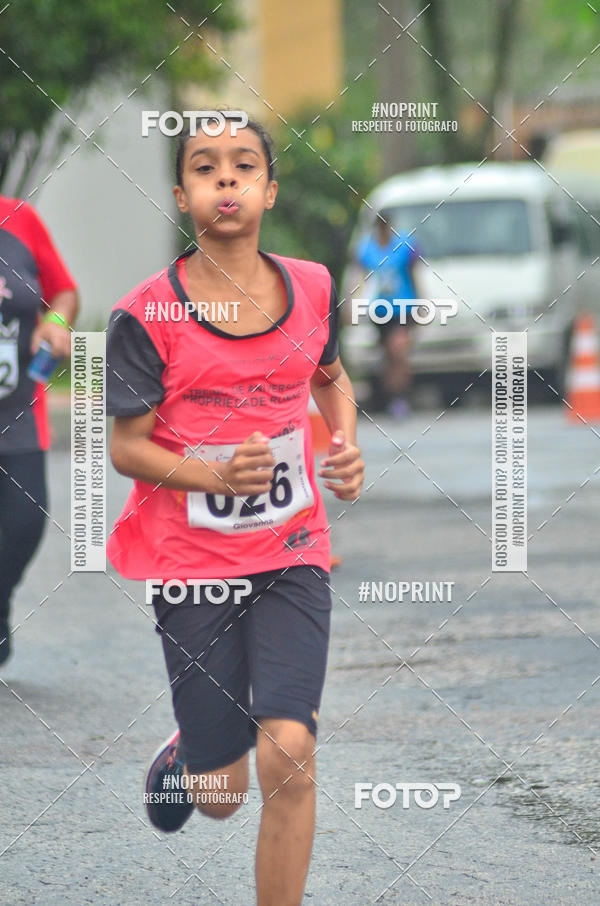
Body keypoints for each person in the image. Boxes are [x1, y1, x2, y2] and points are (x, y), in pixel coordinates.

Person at [105, 112, 364, 906]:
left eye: (244, 165)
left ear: (269, 190)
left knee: (287, 750)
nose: (227, 179)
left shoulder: (312, 285)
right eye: (206, 167)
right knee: (221, 795)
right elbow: (127, 447)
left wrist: (345, 443)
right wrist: (215, 475)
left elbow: (330, 377)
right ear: (183, 195)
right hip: (192, 569)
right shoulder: (144, 314)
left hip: (291, 552)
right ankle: (192, 753)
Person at [0, 197, 79, 665]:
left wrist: (55, 321)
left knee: (25, 522)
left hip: (18, 417)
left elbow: (65, 292)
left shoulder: (19, 219)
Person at [356, 212, 421, 417]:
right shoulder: (367, 249)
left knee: (398, 351)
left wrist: (420, 303)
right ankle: (390, 396)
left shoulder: (404, 246)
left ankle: (400, 396)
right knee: (388, 355)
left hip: (403, 307)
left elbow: (413, 275)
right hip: (380, 310)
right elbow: (361, 279)